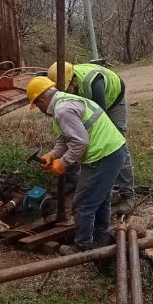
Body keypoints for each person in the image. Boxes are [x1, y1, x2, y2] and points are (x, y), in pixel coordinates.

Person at [27, 76, 127, 253]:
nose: (39, 109)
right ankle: (101, 237)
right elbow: (66, 138)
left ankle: (81, 247)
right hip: (112, 150)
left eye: (37, 105)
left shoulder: (62, 110)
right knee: (101, 197)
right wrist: (52, 155)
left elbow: (80, 142)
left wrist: (63, 163)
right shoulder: (66, 101)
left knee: (83, 203)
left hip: (103, 155)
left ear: (42, 101)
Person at [48, 61, 135, 214]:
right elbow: (69, 133)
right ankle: (73, 178)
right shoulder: (66, 94)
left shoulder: (94, 84)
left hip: (112, 99)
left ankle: (127, 195)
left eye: (67, 90)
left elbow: (100, 125)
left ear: (74, 81)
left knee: (117, 142)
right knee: (73, 133)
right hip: (87, 103)